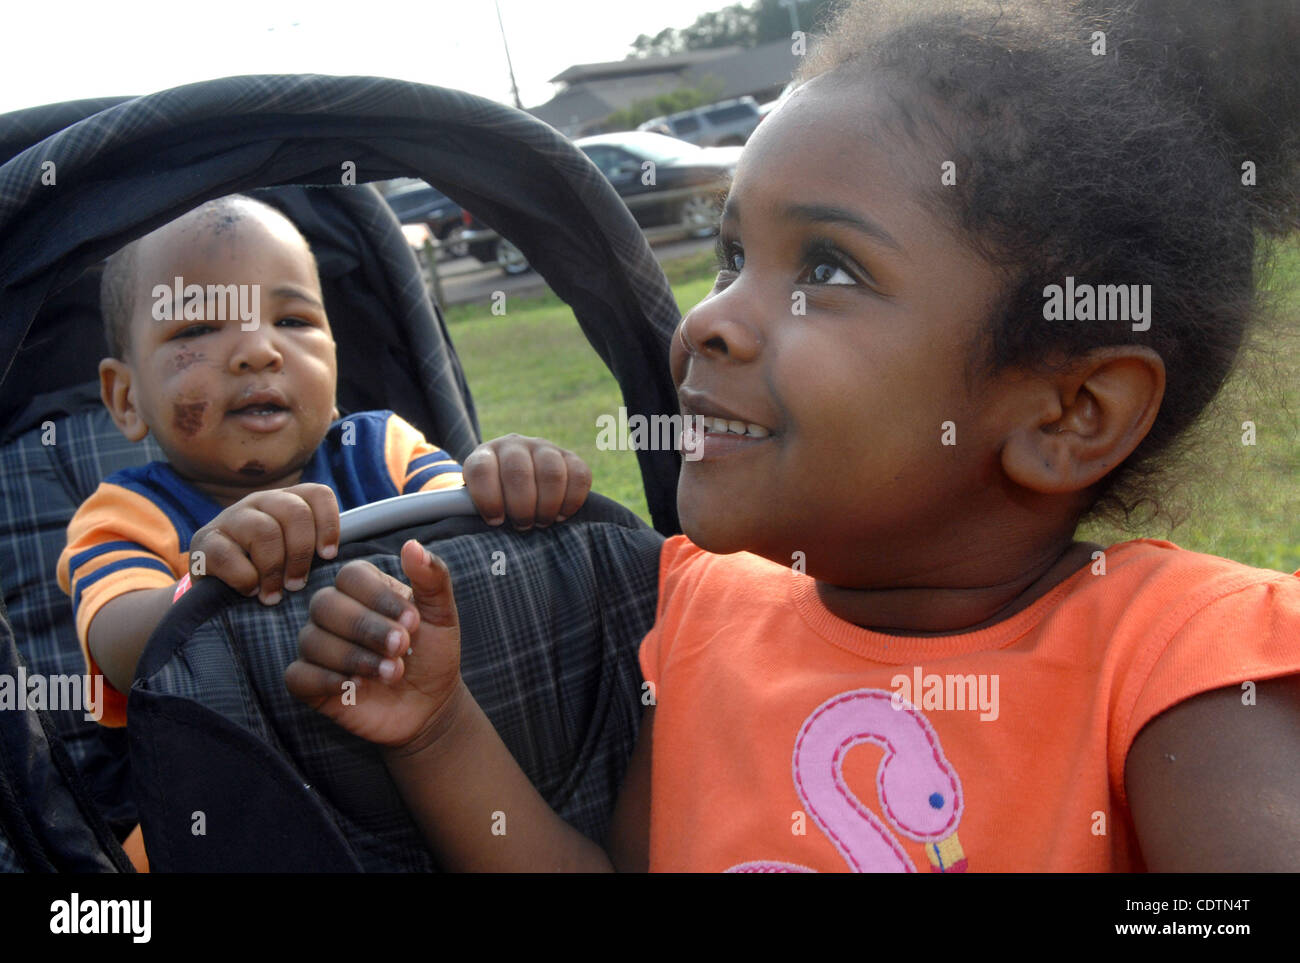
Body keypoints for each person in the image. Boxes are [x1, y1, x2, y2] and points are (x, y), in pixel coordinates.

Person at [287, 0, 1300, 871]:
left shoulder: (1182, 664)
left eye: (827, 269)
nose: (707, 320)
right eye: (731, 255)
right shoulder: (701, 620)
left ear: (1067, 414)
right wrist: (435, 733)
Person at [58, 194, 591, 731]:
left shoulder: (382, 450)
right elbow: (118, 654)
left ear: (334, 361)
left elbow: (472, 542)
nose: (258, 351)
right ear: (126, 398)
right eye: (197, 329)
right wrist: (203, 582)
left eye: (291, 320)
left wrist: (507, 481)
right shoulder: (124, 515)